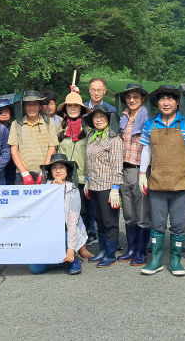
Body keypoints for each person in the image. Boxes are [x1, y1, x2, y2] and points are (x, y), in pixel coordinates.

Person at [138, 85, 185, 277]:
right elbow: (146, 151)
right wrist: (142, 173)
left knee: (178, 224)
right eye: (162, 99)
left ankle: (175, 260)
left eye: (170, 99)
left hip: (182, 183)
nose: (166, 103)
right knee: (157, 224)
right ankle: (156, 261)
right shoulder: (151, 123)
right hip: (157, 182)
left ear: (177, 103)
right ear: (157, 103)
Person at [29, 154, 89, 275]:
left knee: (74, 267)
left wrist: (71, 249)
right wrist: (52, 190)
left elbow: (72, 222)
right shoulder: (43, 189)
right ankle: (59, 260)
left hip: (67, 231)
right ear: (50, 171)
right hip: (47, 232)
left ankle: (72, 258)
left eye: (61, 167)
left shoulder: (73, 190)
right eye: (54, 167)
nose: (57, 170)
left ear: (67, 170)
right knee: (36, 269)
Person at [115, 83, 152, 266]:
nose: (131, 100)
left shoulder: (147, 118)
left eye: (136, 97)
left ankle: (141, 250)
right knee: (129, 213)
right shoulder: (123, 118)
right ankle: (131, 248)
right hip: (124, 169)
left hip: (141, 170)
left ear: (142, 99)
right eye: (129, 97)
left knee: (143, 213)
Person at [83, 103, 123, 268]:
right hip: (93, 185)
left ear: (108, 119)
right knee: (99, 219)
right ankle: (102, 249)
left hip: (107, 186)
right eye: (95, 117)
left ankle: (110, 253)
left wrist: (116, 188)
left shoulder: (114, 138)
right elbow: (89, 161)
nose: (98, 120)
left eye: (102, 117)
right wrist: (86, 180)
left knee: (109, 221)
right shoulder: (92, 136)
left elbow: (117, 165)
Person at [56, 91, 95, 251]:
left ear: (81, 108)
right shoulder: (60, 127)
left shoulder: (88, 127)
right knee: (66, 214)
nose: (72, 109)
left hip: (82, 178)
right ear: (65, 109)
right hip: (65, 178)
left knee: (84, 212)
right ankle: (68, 245)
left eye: (75, 106)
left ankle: (83, 246)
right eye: (69, 106)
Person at [9, 90, 59, 184]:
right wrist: (24, 173)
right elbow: (14, 150)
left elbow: (52, 147)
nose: (31, 107)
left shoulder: (49, 122)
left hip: (43, 172)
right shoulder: (16, 124)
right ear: (24, 107)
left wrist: (44, 171)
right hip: (21, 173)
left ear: (40, 106)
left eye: (35, 104)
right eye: (28, 104)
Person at [0, 97, 17, 185]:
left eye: (6, 111)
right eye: (1, 111)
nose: (4, 113)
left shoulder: (15, 127)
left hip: (13, 167)